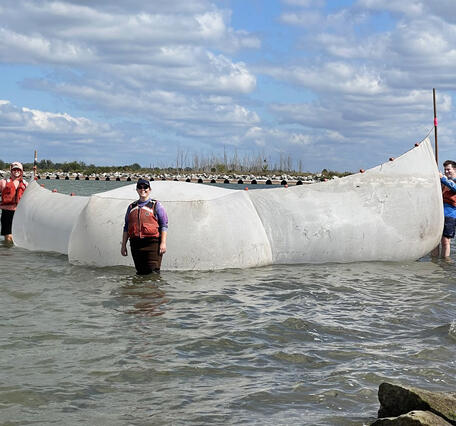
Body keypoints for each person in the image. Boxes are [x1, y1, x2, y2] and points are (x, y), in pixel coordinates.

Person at [121, 178, 168, 274]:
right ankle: (140, 289)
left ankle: (154, 289)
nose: (143, 189)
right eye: (140, 187)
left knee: (153, 272)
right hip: (136, 245)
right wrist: (123, 246)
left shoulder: (156, 205)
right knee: (140, 272)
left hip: (153, 244)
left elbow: (164, 225)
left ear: (149, 189)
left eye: (145, 187)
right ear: (137, 190)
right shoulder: (131, 207)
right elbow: (126, 228)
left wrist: (163, 243)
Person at [432, 160, 456, 259]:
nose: (446, 171)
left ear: (455, 169)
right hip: (438, 213)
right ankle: (434, 261)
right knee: (434, 240)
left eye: (448, 169)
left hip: (450, 214)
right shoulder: (442, 181)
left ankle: (445, 262)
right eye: (445, 169)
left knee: (445, 241)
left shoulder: (449, 181)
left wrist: (443, 179)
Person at [0, 162, 28, 244]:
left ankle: (17, 254)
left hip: (19, 212)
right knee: (8, 237)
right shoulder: (3, 182)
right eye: (14, 169)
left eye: (18, 169)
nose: (16, 171)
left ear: (21, 171)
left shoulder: (25, 184)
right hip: (7, 212)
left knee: (19, 237)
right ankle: (9, 254)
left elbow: (35, 196)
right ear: (11, 171)